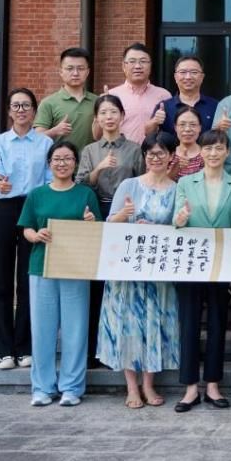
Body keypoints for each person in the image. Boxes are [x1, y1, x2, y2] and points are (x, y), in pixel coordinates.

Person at [97, 132, 182, 408]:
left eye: (161, 153)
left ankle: (149, 384)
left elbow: (179, 230)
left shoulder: (177, 189)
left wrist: (164, 227)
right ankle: (131, 387)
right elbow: (111, 224)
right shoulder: (129, 185)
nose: (155, 158)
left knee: (155, 324)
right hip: (127, 269)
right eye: (150, 153)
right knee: (128, 324)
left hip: (158, 271)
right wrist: (123, 217)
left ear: (171, 156)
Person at [18, 140, 101, 407]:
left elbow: (97, 231)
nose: (62, 163)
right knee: (42, 330)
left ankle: (71, 388)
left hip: (75, 267)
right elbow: (26, 228)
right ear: (49, 163)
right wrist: (35, 235)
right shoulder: (37, 194)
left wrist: (91, 222)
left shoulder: (86, 194)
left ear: (75, 163)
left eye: (67, 158)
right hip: (42, 266)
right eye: (57, 159)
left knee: (75, 329)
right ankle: (42, 387)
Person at [171, 129, 231, 412]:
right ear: (200, 152)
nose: (213, 153)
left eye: (219, 148)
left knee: (217, 323)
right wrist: (180, 218)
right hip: (191, 262)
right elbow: (177, 221)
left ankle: (213, 384)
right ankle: (190, 387)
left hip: (222, 263)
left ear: (228, 152)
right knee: (189, 324)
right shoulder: (185, 182)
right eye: (208, 148)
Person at [76, 93, 145, 366]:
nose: (109, 117)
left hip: (127, 216)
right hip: (98, 213)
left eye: (113, 112)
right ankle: (95, 350)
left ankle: (122, 346)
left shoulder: (135, 149)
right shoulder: (90, 150)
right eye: (103, 113)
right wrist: (99, 169)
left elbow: (142, 182)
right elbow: (81, 184)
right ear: (97, 118)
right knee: (97, 282)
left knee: (122, 280)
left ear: (122, 116)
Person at [0, 88, 51, 371]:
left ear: (34, 111)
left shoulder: (45, 143)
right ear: (9, 111)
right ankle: (2, 349)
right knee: (1, 281)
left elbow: (49, 178)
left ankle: (25, 347)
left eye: (26, 105)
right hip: (4, 209)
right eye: (16, 105)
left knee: (27, 281)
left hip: (33, 209)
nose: (21, 110)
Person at [33, 46, 99, 152]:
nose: (75, 73)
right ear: (61, 72)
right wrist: (54, 131)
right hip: (61, 161)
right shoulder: (48, 103)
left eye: (80, 69)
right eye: (70, 68)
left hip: (91, 161)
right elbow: (36, 139)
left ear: (87, 72)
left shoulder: (98, 102)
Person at [107, 42, 171, 144]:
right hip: (121, 152)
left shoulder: (164, 95)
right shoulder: (111, 95)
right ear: (123, 66)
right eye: (132, 61)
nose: (138, 66)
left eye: (143, 61)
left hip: (154, 153)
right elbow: (97, 135)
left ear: (150, 65)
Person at [145, 54, 218, 137]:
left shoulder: (215, 106)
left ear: (202, 77)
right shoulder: (164, 106)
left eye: (194, 72)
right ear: (175, 77)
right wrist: (155, 121)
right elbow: (148, 134)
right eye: (183, 72)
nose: (188, 77)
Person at [169, 105, 204, 179]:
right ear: (175, 127)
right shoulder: (168, 154)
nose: (187, 129)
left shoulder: (207, 155)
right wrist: (177, 167)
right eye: (182, 124)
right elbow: (161, 182)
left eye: (193, 124)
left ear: (200, 127)